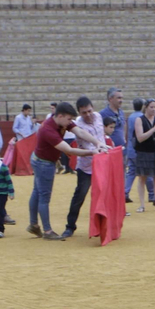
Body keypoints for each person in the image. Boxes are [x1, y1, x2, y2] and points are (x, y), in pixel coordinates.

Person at [28, 102, 85, 240]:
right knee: (44, 196)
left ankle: (34, 224)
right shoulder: (48, 129)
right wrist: (93, 152)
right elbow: (69, 150)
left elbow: (80, 132)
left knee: (37, 192)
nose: (70, 122)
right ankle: (47, 231)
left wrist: (97, 142)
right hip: (44, 163)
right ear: (60, 116)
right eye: (69, 119)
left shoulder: (60, 122)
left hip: (39, 159)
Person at [62, 97, 104, 239]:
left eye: (89, 111)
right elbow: (86, 145)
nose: (88, 114)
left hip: (102, 165)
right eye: (84, 112)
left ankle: (104, 226)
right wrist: (99, 149)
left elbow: (102, 138)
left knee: (103, 196)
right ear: (79, 113)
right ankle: (70, 226)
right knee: (79, 196)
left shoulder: (98, 117)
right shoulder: (77, 125)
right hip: (86, 166)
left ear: (93, 108)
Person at [130, 98, 155, 214]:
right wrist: (153, 129)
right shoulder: (139, 120)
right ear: (146, 107)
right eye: (151, 107)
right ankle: (142, 204)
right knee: (142, 178)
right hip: (143, 152)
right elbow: (140, 138)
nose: (154, 109)